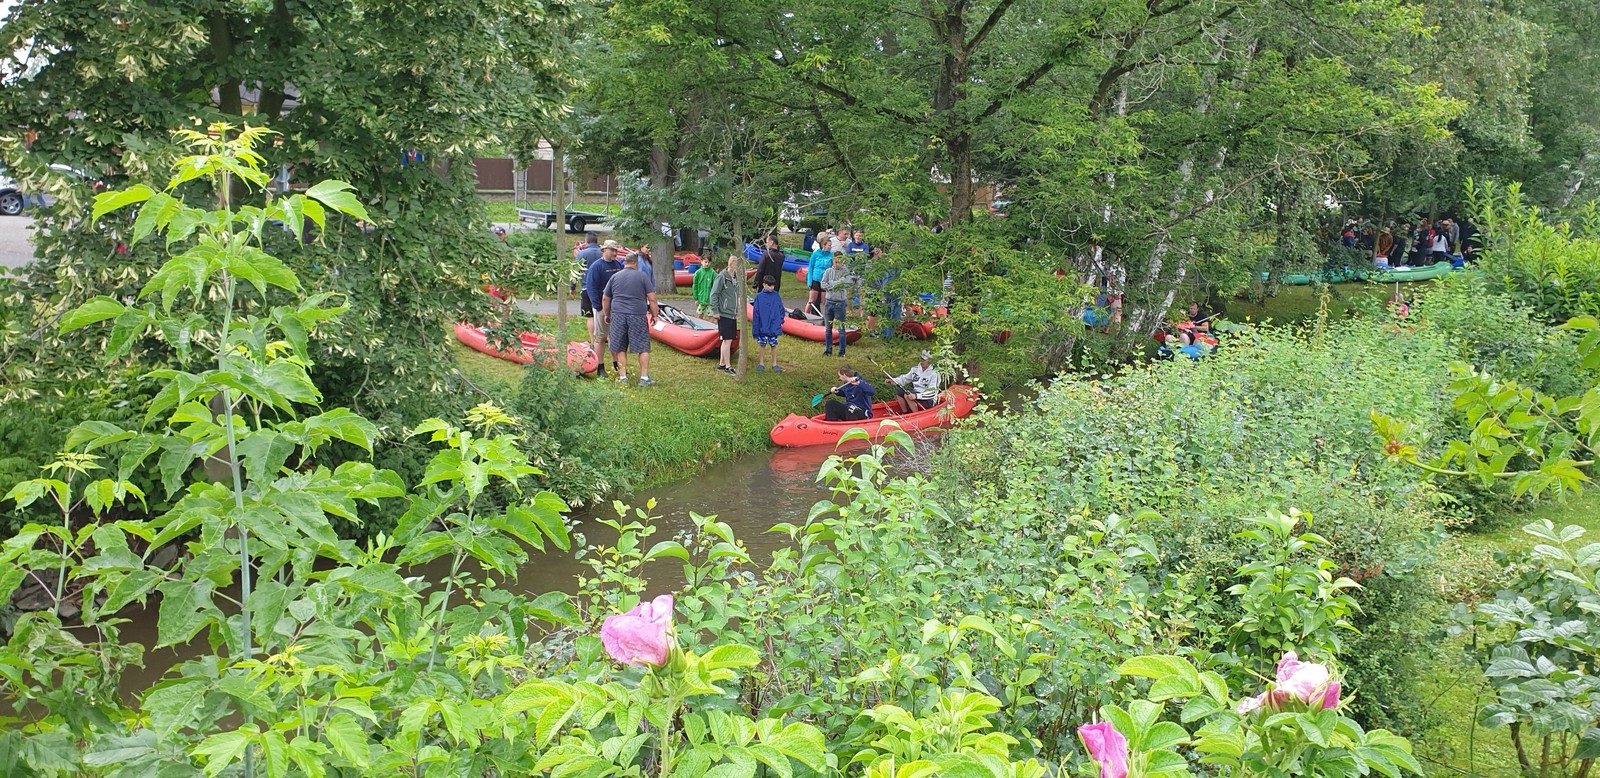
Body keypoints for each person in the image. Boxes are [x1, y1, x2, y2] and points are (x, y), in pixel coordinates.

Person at [601, 252, 660, 385]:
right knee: (643, 347)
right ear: (636, 263)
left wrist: (607, 314)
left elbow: (605, 298)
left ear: (624, 263)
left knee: (620, 346)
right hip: (637, 315)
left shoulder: (615, 277)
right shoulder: (642, 276)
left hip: (618, 314)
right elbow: (652, 298)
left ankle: (623, 377)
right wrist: (655, 315)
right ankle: (644, 378)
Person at [583, 241, 626, 376]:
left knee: (616, 336)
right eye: (612, 250)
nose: (615, 253)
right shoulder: (597, 267)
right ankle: (600, 366)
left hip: (617, 307)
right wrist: (598, 306)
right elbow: (591, 287)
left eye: (616, 251)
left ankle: (617, 364)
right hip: (602, 306)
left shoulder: (617, 265)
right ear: (604, 250)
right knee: (601, 337)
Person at [709, 256, 741, 375]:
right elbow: (714, 294)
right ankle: (728, 365)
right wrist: (715, 310)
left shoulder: (735, 278)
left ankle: (722, 363)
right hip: (724, 313)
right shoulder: (722, 277)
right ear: (732, 264)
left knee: (728, 339)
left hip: (732, 313)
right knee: (727, 340)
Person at [820, 251, 852, 357]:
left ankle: (841, 351)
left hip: (840, 303)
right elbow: (823, 284)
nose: (838, 264)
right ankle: (828, 349)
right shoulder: (828, 271)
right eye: (836, 262)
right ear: (833, 261)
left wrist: (832, 283)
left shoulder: (845, 272)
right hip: (829, 302)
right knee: (828, 328)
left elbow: (845, 283)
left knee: (841, 329)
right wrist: (835, 284)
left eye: (840, 262)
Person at [751, 275, 785, 372]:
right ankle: (761, 363)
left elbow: (781, 308)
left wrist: (780, 320)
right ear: (764, 284)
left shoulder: (776, 295)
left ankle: (774, 363)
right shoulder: (759, 297)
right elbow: (756, 313)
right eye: (769, 285)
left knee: (773, 345)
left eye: (772, 285)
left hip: (773, 326)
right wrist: (756, 329)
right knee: (762, 345)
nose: (771, 287)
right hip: (763, 327)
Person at [805, 240, 834, 317]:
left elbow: (832, 267)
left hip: (825, 280)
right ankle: (805, 316)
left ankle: (824, 318)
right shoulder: (816, 254)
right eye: (829, 245)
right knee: (811, 300)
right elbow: (810, 268)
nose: (831, 247)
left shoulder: (831, 255)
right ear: (824, 245)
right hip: (816, 279)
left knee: (823, 301)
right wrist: (809, 282)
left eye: (831, 245)